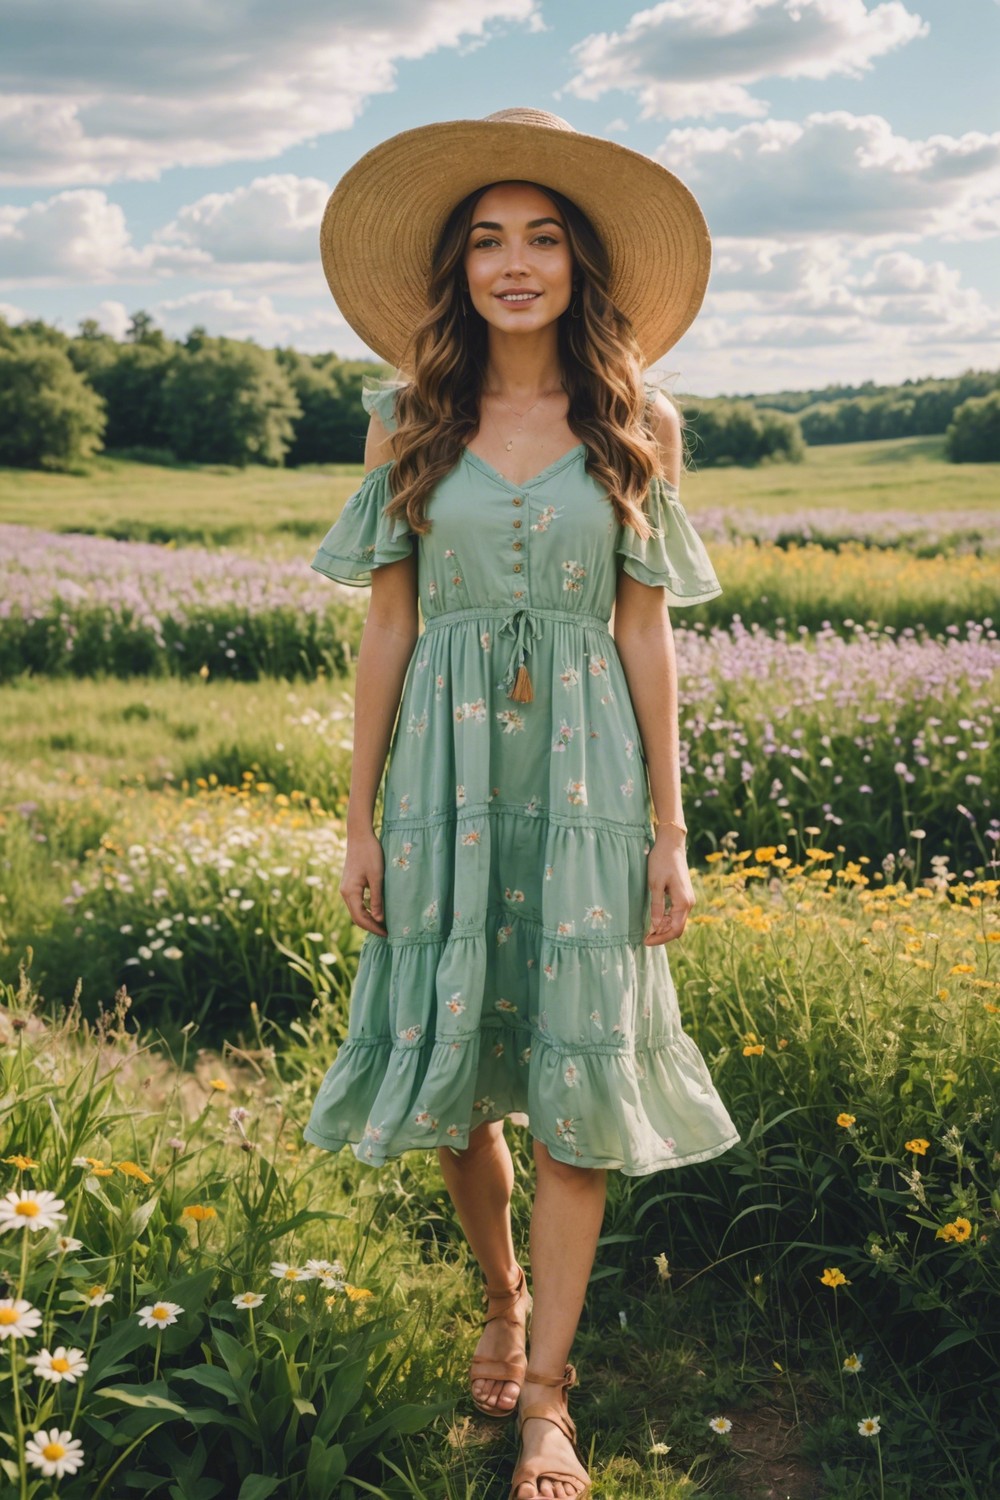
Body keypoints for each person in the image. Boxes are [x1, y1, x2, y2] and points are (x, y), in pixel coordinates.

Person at [303, 107, 741, 1500]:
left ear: (580, 264)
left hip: (587, 784)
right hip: (441, 780)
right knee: (453, 1077)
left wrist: (672, 832)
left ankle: (547, 1395)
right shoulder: (404, 421)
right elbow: (387, 631)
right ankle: (498, 1296)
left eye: (542, 237)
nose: (514, 263)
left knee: (574, 1079)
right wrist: (360, 818)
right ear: (455, 267)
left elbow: (647, 639)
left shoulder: (638, 422)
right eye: (487, 239)